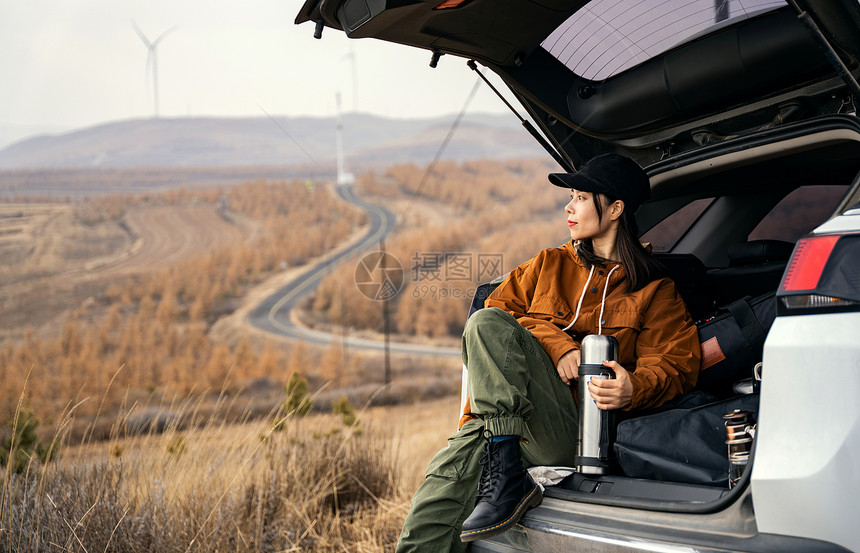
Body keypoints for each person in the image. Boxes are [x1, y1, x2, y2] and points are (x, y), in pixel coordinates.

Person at [395, 153, 701, 553]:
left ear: (615, 209)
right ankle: (504, 474)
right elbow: (494, 314)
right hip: (513, 426)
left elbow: (676, 364)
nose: (568, 207)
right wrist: (559, 347)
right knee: (429, 513)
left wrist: (634, 388)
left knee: (467, 450)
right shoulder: (548, 264)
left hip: (576, 432)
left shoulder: (654, 290)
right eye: (569, 197)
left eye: (580, 197)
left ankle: (503, 473)